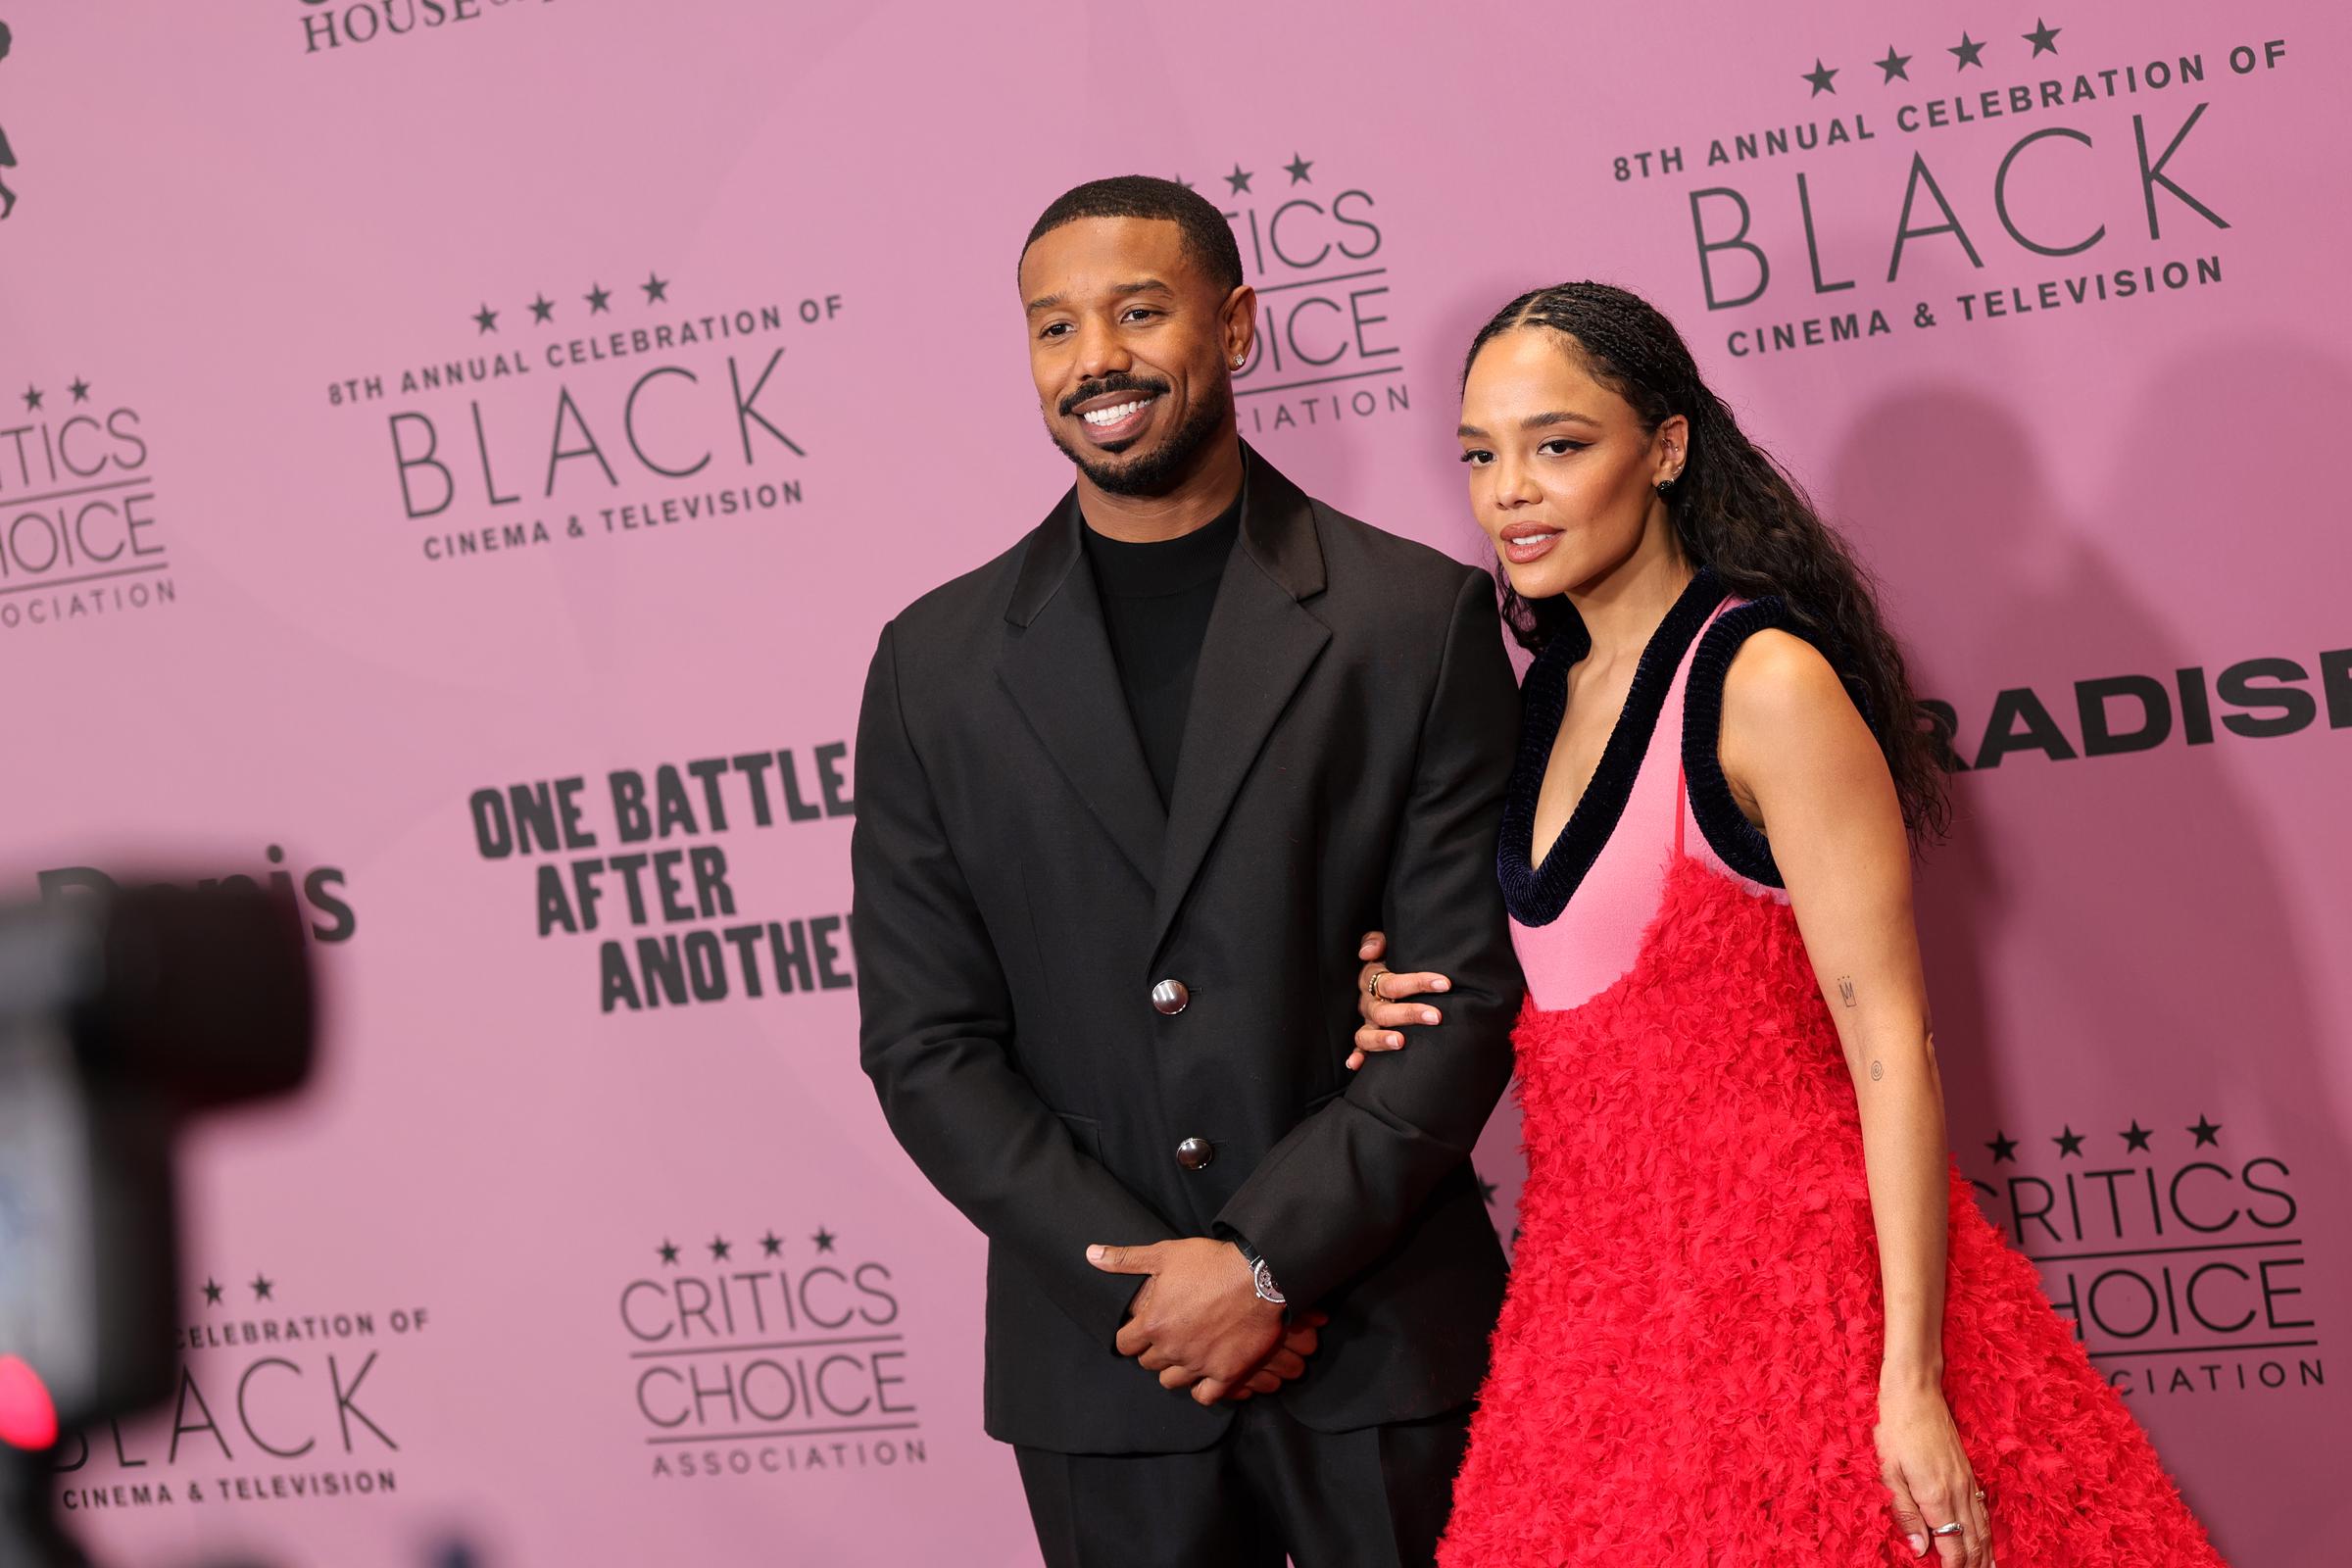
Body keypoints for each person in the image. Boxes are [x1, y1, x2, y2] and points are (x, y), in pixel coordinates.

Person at [1349, 282, 2229, 1566]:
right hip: (1596, 1336)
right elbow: (1555, 986)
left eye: (1559, 444)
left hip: (1816, 1310)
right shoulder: (1535, 691)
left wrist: (1912, 1384)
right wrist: (1396, 988)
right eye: (1481, 455)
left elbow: (1893, 1052)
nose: (1511, 492)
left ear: (1664, 447)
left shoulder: (1762, 681)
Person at [848, 175, 1525, 1568]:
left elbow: (1459, 1000)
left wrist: (1265, 1263)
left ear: (1237, 327)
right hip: (1110, 1373)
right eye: (1054, 327)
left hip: (1381, 1342)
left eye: (1139, 311)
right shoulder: (934, 668)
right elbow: (927, 1045)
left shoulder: (1415, 618)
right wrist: (1160, 1290)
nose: (1095, 357)